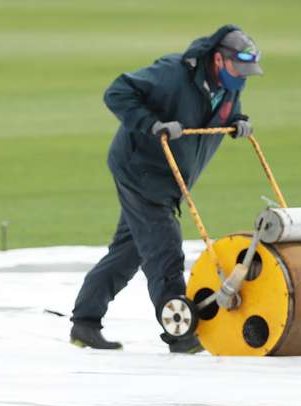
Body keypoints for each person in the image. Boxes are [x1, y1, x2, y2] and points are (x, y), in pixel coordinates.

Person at [70, 25, 263, 353]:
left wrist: (237, 121)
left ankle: (84, 323)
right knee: (164, 249)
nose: (241, 78)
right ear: (218, 59)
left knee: (129, 251)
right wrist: (152, 124)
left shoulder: (230, 87)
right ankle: (180, 333)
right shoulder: (173, 74)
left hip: (173, 177)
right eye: (237, 69)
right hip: (141, 169)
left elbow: (222, 112)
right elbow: (117, 92)